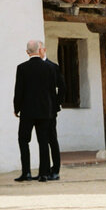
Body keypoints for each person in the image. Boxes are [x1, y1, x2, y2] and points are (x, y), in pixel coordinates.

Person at [13, 38, 58, 182]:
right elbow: (52, 91)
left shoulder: (22, 68)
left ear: (27, 52)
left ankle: (26, 172)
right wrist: (52, 109)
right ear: (39, 50)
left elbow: (19, 90)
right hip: (45, 110)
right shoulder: (49, 68)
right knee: (43, 141)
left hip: (27, 111)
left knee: (23, 140)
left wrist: (16, 108)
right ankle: (44, 173)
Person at [43, 44, 65, 180]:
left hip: (50, 110)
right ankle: (45, 169)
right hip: (37, 111)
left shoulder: (53, 67)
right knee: (42, 140)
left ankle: (55, 169)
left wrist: (56, 104)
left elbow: (62, 87)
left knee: (52, 139)